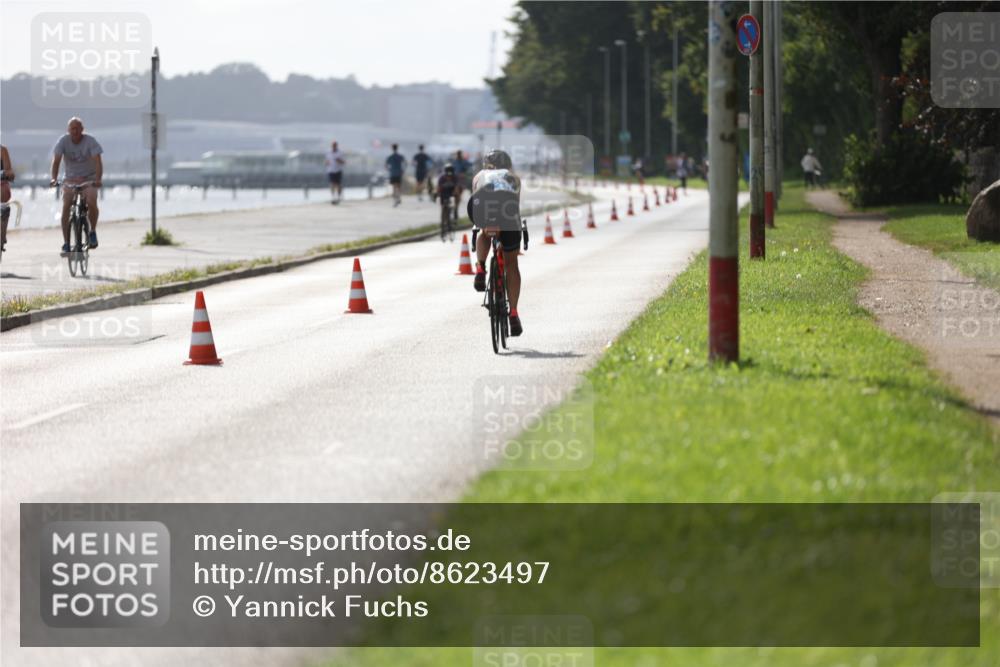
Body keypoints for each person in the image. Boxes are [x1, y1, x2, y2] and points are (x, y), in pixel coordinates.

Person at [469, 149, 524, 337]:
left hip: (483, 208)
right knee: (511, 264)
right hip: (508, 212)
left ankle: (480, 268)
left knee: (483, 231)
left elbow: (475, 198)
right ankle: (514, 314)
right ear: (508, 164)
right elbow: (515, 204)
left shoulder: (479, 176)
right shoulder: (514, 178)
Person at [50, 117, 103, 253]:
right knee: (66, 204)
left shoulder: (90, 141)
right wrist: (54, 178)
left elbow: (98, 162)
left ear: (82, 129)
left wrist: (97, 179)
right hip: (70, 179)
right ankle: (66, 242)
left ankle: (92, 231)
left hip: (88, 178)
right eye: (72, 128)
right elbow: (56, 161)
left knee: (91, 200)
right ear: (68, 130)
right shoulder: (63, 141)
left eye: (77, 128)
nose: (75, 131)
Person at [452, 149, 471, 221]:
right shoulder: (455, 161)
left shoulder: (462, 161)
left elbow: (469, 167)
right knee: (457, 196)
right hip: (455, 180)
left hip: (460, 180)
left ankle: (455, 209)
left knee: (458, 195)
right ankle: (455, 208)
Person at [1, 144, 13, 254]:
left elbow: (8, 169)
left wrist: (8, 173)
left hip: (1, 183)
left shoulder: (2, 150)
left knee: (3, 192)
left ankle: (2, 234)